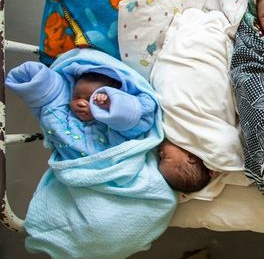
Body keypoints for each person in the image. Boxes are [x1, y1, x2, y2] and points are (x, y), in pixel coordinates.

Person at [6, 61, 209, 193]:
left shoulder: (109, 127)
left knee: (49, 116)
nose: (81, 103)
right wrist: (110, 106)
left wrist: (108, 111)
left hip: (85, 167)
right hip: (85, 158)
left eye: (91, 98)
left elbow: (123, 126)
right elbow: (133, 115)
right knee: (50, 107)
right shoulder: (69, 111)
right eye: (76, 97)